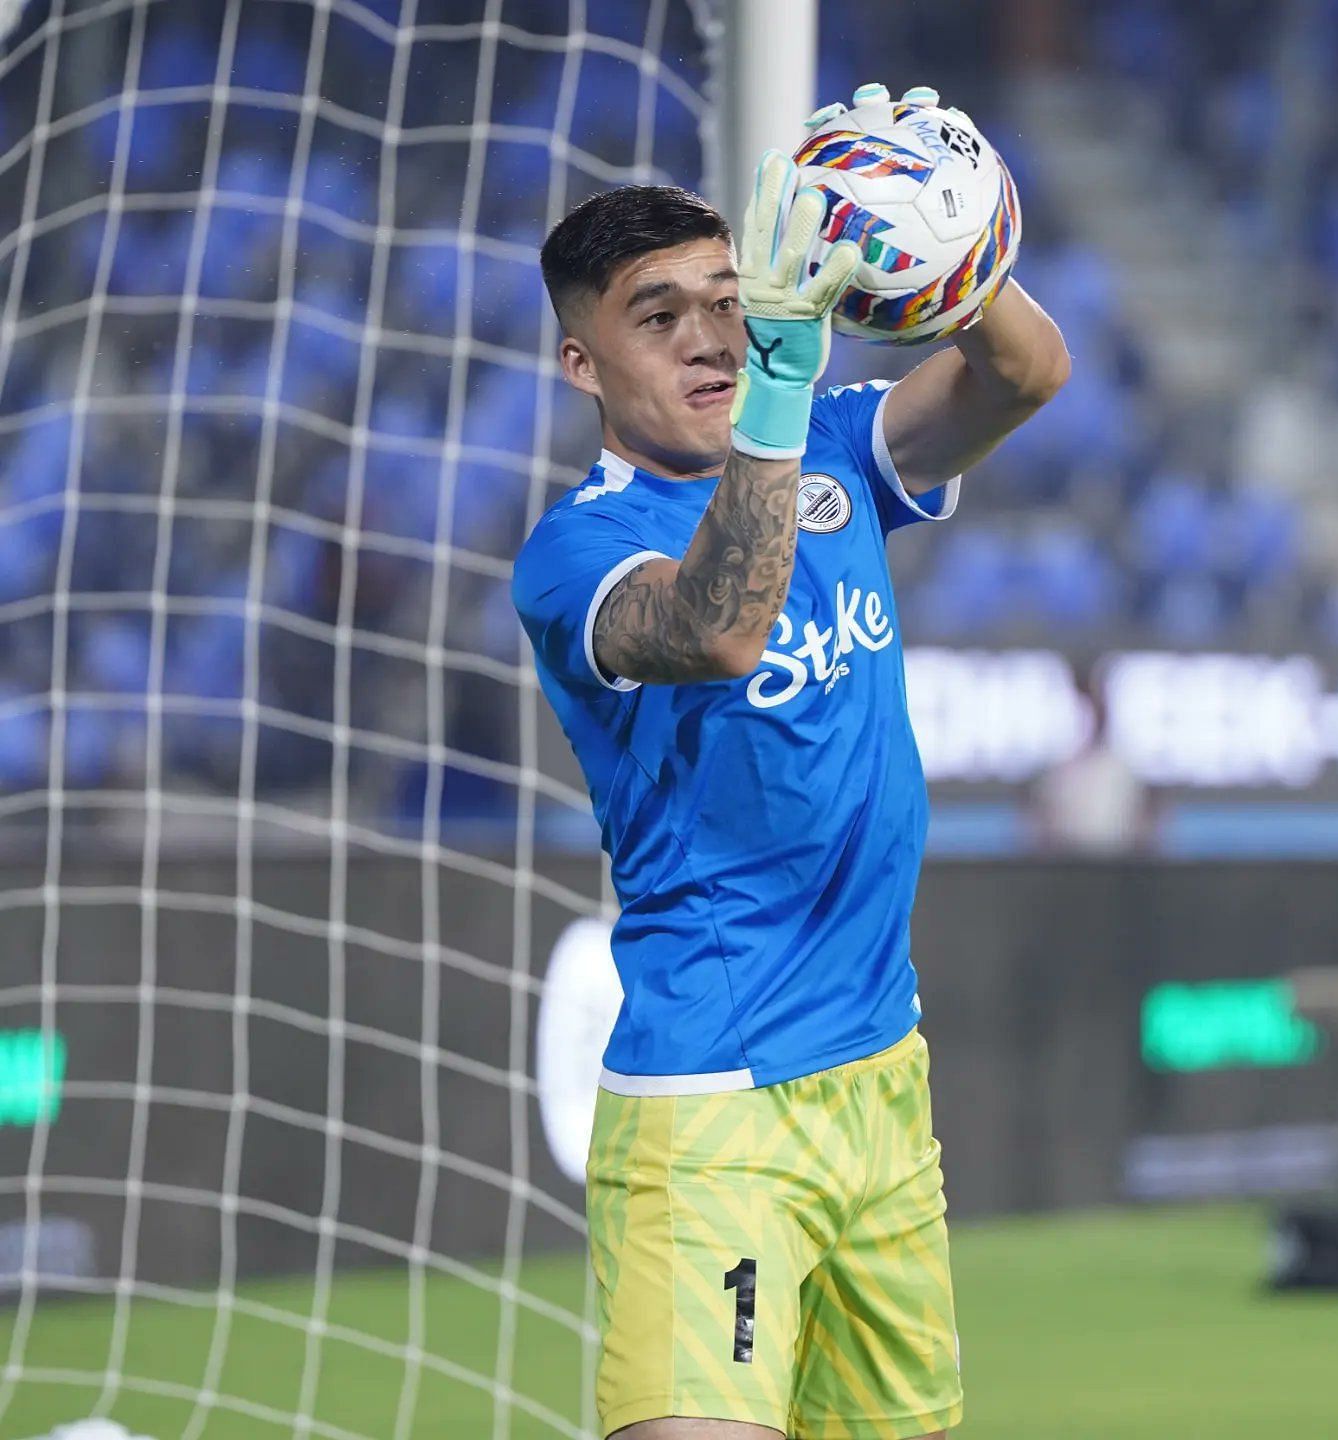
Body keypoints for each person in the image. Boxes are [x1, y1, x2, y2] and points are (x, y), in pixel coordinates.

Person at [512, 91, 1069, 1440]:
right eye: (660, 316)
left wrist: (951, 233)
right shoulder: (574, 553)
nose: (710, 334)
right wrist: (776, 374)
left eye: (730, 294)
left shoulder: (831, 446)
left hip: (883, 1077)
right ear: (584, 365)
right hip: (716, 1101)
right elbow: (717, 625)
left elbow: (1026, 375)